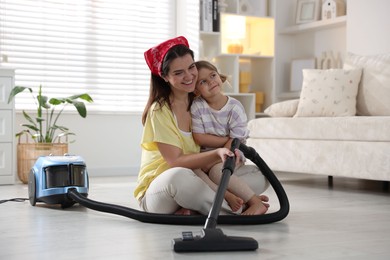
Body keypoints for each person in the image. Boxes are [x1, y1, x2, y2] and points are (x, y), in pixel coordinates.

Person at [134, 36, 269, 216]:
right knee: (180, 177)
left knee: (260, 175)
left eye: (191, 67)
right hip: (163, 187)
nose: (189, 76)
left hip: (202, 177)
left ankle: (197, 207)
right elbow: (175, 162)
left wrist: (227, 148)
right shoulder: (159, 110)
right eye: (178, 72)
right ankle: (238, 205)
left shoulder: (200, 103)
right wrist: (218, 151)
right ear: (165, 77)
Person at [190, 60, 269, 215]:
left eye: (213, 75)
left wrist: (212, 160)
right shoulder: (198, 106)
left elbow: (235, 142)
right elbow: (199, 137)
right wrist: (211, 155)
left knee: (215, 172)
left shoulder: (235, 108)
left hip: (233, 153)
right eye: (203, 81)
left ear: (220, 77)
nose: (211, 82)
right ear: (197, 91)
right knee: (192, 170)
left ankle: (255, 202)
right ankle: (229, 196)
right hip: (207, 155)